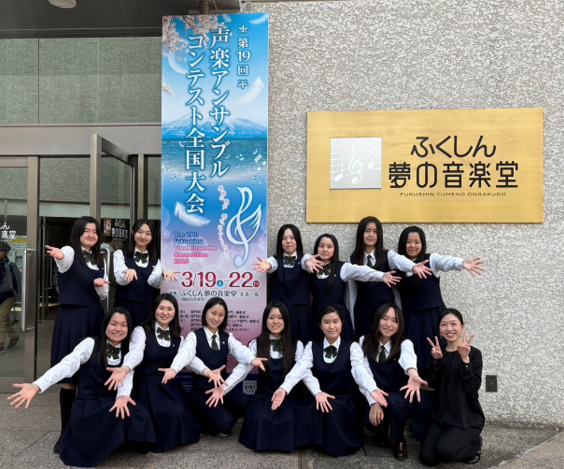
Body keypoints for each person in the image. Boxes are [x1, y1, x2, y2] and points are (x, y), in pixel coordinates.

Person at [8, 308, 156, 467]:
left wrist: (122, 396)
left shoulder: (128, 351)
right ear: (105, 325)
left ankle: (116, 441)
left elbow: (127, 376)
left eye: (123, 325)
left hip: (112, 399)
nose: (118, 329)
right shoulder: (90, 343)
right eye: (113, 324)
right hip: (89, 401)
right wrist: (37, 385)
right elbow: (66, 365)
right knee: (101, 421)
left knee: (138, 413)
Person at [395, 226, 485, 441]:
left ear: (422, 243)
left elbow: (446, 261)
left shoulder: (431, 260)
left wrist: (462, 263)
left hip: (433, 320)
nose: (413, 245)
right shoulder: (398, 265)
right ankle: (418, 422)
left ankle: (446, 419)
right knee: (415, 365)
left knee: (438, 363)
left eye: (417, 241)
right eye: (409, 241)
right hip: (410, 321)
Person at [271, 306, 377, 458]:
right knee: (303, 410)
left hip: (343, 399)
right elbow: (300, 368)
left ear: (342, 324)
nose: (331, 326)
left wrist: (372, 390)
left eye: (335, 321)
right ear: (320, 326)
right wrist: (284, 388)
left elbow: (360, 370)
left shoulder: (352, 347)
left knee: (332, 412)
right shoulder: (312, 346)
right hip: (319, 396)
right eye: (327, 322)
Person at [45, 216, 110, 453]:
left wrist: (100, 285)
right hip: (71, 317)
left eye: (95, 231)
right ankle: (65, 433)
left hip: (94, 316)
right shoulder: (70, 251)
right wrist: (60, 255)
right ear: (78, 233)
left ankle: (87, 429)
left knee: (91, 375)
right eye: (86, 231)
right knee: (70, 379)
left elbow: (103, 296)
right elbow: (64, 260)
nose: (92, 235)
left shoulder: (100, 259)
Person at [121, 293, 201, 453]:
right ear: (154, 310)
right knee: (158, 413)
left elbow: (189, 359)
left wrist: (208, 372)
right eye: (161, 308)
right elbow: (136, 352)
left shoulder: (178, 338)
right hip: (145, 384)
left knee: (178, 413)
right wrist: (126, 368)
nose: (165, 312)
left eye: (169, 309)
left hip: (167, 384)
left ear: (175, 312)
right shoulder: (141, 331)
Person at [234, 302, 314, 452]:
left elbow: (304, 372)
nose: (275, 321)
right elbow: (242, 370)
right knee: (262, 417)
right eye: (271, 317)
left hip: (289, 395)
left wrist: (317, 392)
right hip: (264, 395)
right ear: (265, 320)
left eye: (280, 317)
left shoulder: (297, 344)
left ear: (286, 320)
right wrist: (223, 388)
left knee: (288, 418)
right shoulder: (255, 344)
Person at [302, 233, 409, 341]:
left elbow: (361, 271)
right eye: (321, 246)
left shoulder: (343, 268)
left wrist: (381, 276)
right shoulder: (309, 267)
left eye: (329, 247)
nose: (325, 249)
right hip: (318, 318)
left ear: (335, 249)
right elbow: (302, 259)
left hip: (340, 318)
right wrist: (307, 259)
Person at [187, 297, 268, 436]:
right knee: (224, 423)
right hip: (202, 392)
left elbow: (239, 349)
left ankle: (219, 421)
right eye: (213, 313)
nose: (216, 318)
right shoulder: (194, 336)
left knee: (243, 401)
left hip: (221, 389)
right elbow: (189, 359)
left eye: (221, 315)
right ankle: (203, 421)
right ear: (205, 312)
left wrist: (251, 359)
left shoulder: (226, 337)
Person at [358, 302, 427, 460]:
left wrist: (413, 374)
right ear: (377, 319)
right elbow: (363, 374)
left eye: (394, 320)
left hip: (399, 399)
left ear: (399, 324)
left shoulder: (404, 344)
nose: (388, 324)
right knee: (364, 415)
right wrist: (374, 402)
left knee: (394, 401)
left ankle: (398, 438)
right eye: (385, 318)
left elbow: (409, 360)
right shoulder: (364, 341)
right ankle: (382, 431)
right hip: (375, 396)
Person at [419, 308, 484, 466]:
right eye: (444, 325)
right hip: (441, 417)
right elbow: (433, 384)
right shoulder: (438, 352)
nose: (449, 328)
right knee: (427, 458)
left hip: (465, 418)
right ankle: (448, 439)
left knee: (446, 451)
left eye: (454, 324)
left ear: (462, 327)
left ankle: (475, 444)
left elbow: (472, 388)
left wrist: (465, 360)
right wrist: (437, 361)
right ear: (439, 329)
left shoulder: (474, 354)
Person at [349, 216, 430, 339]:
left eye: (375, 231)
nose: (371, 235)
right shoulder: (353, 259)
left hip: (386, 311)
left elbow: (399, 260)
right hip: (363, 312)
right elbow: (351, 293)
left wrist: (413, 266)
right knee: (365, 345)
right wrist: (352, 322)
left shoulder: (388, 255)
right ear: (361, 233)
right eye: (367, 231)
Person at [253, 224, 313, 343]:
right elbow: (271, 264)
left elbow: (307, 261)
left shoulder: (305, 259)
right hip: (279, 312)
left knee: (303, 344)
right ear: (280, 242)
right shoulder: (275, 260)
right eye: (284, 238)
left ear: (298, 240)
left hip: (301, 312)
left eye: (292, 238)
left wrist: (309, 262)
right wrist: (267, 265)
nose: (288, 241)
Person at [114, 220, 178, 328]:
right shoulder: (120, 254)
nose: (143, 236)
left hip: (145, 306)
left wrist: (162, 275)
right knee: (121, 333)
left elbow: (153, 283)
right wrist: (127, 274)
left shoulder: (156, 261)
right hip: (124, 304)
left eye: (148, 234)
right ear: (133, 232)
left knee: (143, 334)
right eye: (140, 232)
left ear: (152, 237)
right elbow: (120, 280)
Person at [0, 241, 21, 354]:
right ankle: (14, 337)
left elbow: (17, 282)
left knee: (1, 318)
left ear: (6, 253)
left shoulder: (10, 265)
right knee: (4, 318)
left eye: (1, 251)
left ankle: (0, 345)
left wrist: (18, 296)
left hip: (8, 296)